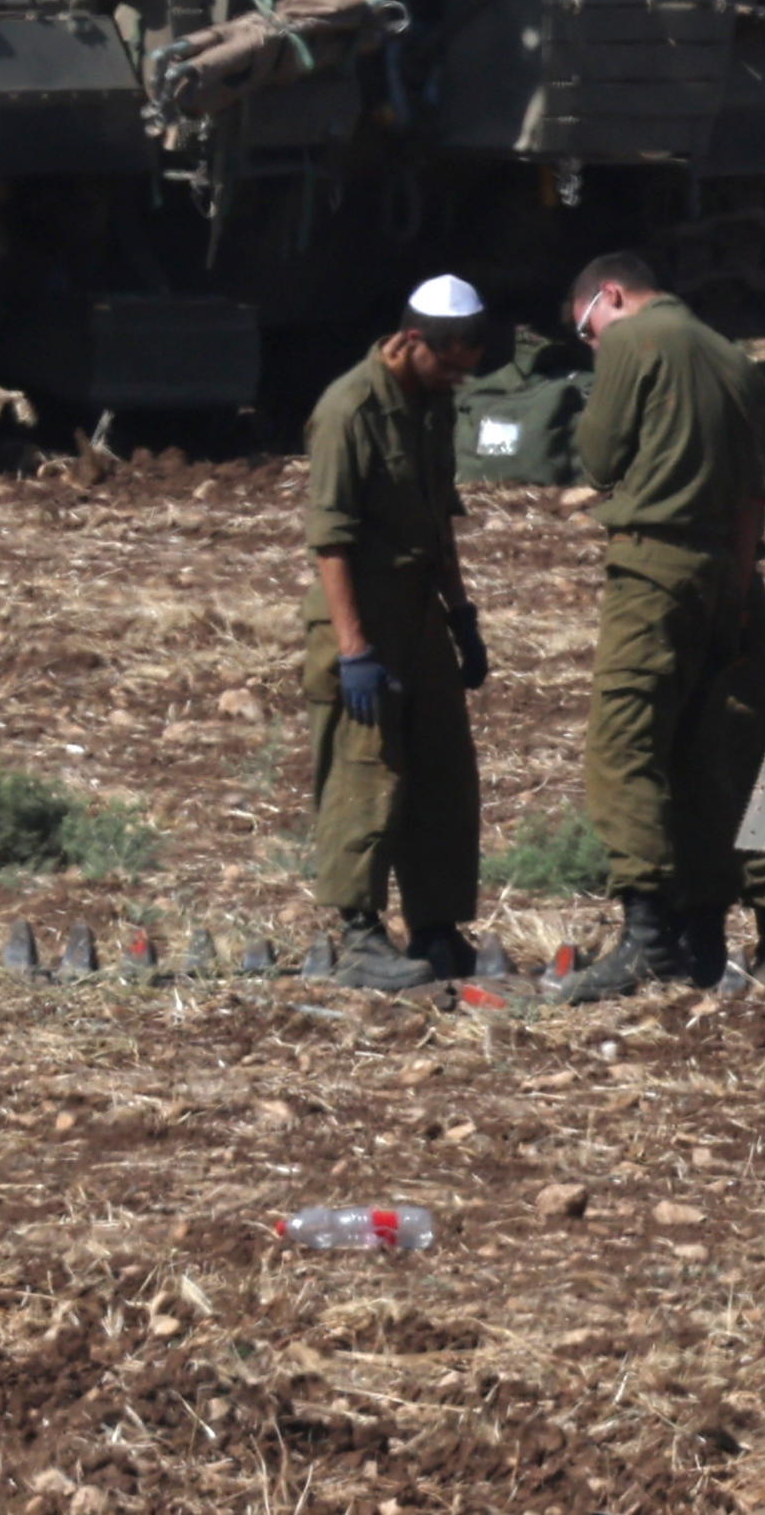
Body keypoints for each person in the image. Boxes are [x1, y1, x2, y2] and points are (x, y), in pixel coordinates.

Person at [556, 249, 765, 1001]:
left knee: (623, 746)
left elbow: (597, 457)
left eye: (586, 331)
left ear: (611, 297)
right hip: (732, 574)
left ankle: (647, 933)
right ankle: (707, 932)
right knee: (703, 749)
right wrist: (736, 590)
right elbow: (756, 498)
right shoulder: (736, 359)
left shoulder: (633, 340)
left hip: (652, 570)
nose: (592, 346)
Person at [301, 274, 497, 993]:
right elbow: (331, 540)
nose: (454, 378)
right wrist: (354, 649)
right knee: (365, 772)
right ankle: (359, 935)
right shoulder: (349, 410)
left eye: (463, 367)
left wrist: (462, 614)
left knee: (443, 774)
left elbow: (439, 518)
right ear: (412, 340)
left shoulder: (433, 405)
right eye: (446, 363)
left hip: (422, 619)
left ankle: (437, 925)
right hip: (365, 622)